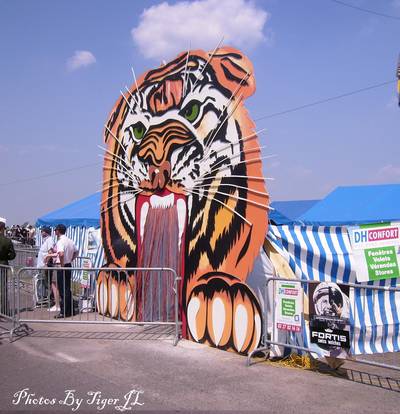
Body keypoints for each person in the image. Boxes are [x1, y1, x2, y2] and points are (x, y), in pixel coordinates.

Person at [54, 224, 78, 318]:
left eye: (56, 230)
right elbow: (76, 251)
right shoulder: (70, 241)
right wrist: (71, 259)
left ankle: (63, 312)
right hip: (69, 265)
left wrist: (62, 264)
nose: (55, 232)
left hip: (62, 265)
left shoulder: (60, 241)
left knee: (63, 289)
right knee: (67, 288)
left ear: (58, 231)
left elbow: (61, 253)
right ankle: (70, 310)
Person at [37, 227, 60, 311]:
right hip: (44, 265)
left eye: (42, 231)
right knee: (48, 283)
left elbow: (50, 252)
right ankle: (51, 299)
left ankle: (53, 300)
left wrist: (46, 263)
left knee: (50, 283)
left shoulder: (50, 240)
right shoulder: (46, 240)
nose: (41, 233)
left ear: (45, 232)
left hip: (46, 265)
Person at [0, 219, 16, 315]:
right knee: (3, 288)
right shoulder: (7, 240)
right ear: (3, 229)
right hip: (3, 264)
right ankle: (3, 310)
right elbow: (13, 255)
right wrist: (6, 257)